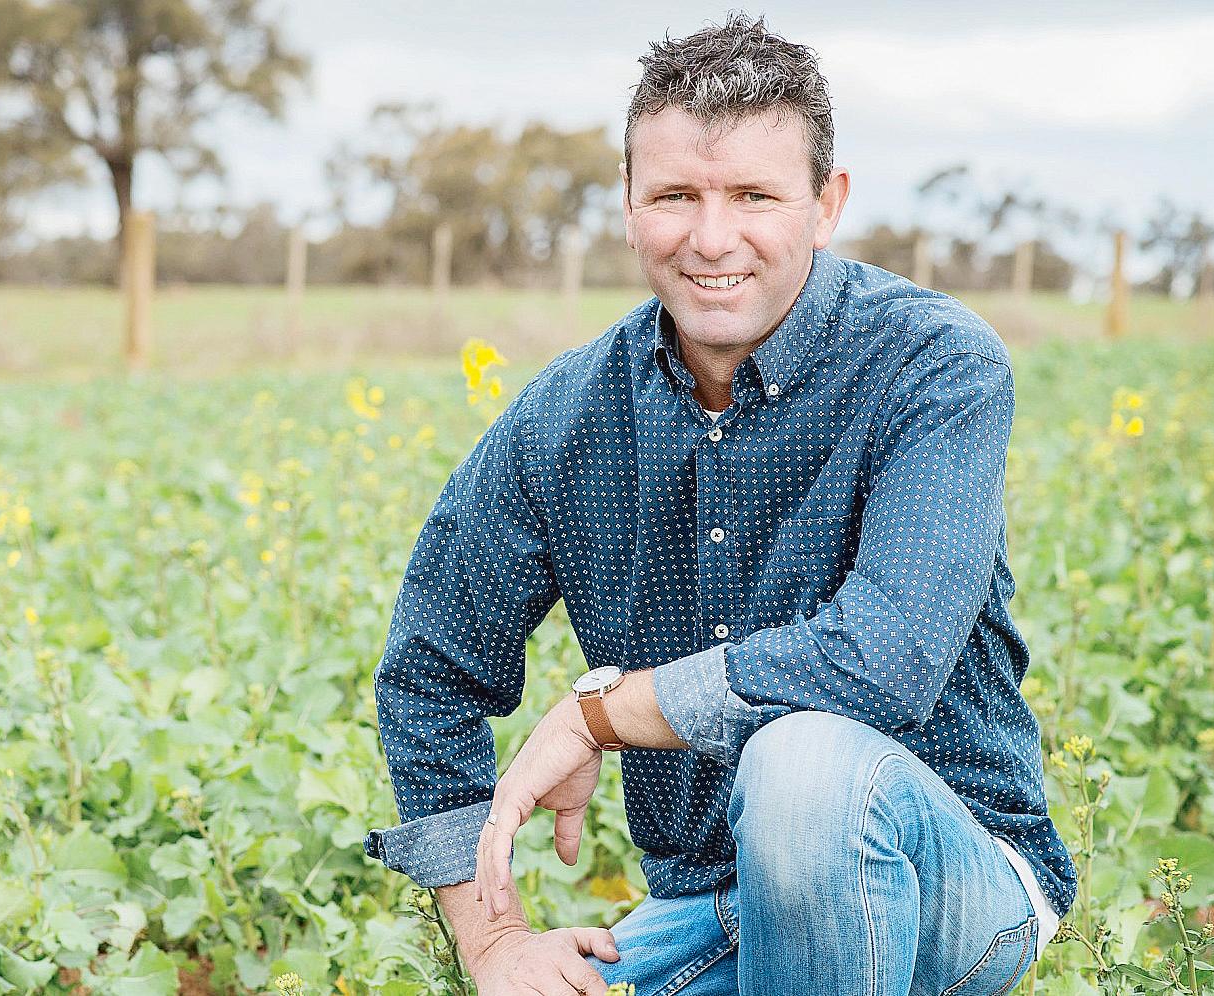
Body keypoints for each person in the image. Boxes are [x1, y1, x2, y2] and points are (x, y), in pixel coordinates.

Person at [361, 12, 1076, 996]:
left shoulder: (933, 364)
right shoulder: (565, 418)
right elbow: (429, 671)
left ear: (826, 205)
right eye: (674, 196)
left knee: (803, 768)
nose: (710, 237)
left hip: (956, 879)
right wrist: (494, 944)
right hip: (714, 902)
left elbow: (887, 659)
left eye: (753, 195)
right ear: (628, 204)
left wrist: (603, 717)